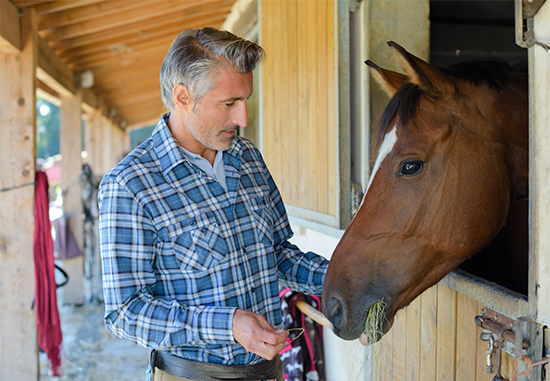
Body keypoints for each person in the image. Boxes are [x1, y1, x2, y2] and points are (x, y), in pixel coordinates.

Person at [98, 27, 329, 381]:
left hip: (270, 372)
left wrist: (345, 276)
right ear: (183, 97)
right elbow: (126, 312)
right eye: (229, 103)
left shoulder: (248, 157)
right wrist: (227, 325)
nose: (243, 119)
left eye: (245, 99)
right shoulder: (130, 184)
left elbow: (278, 254)